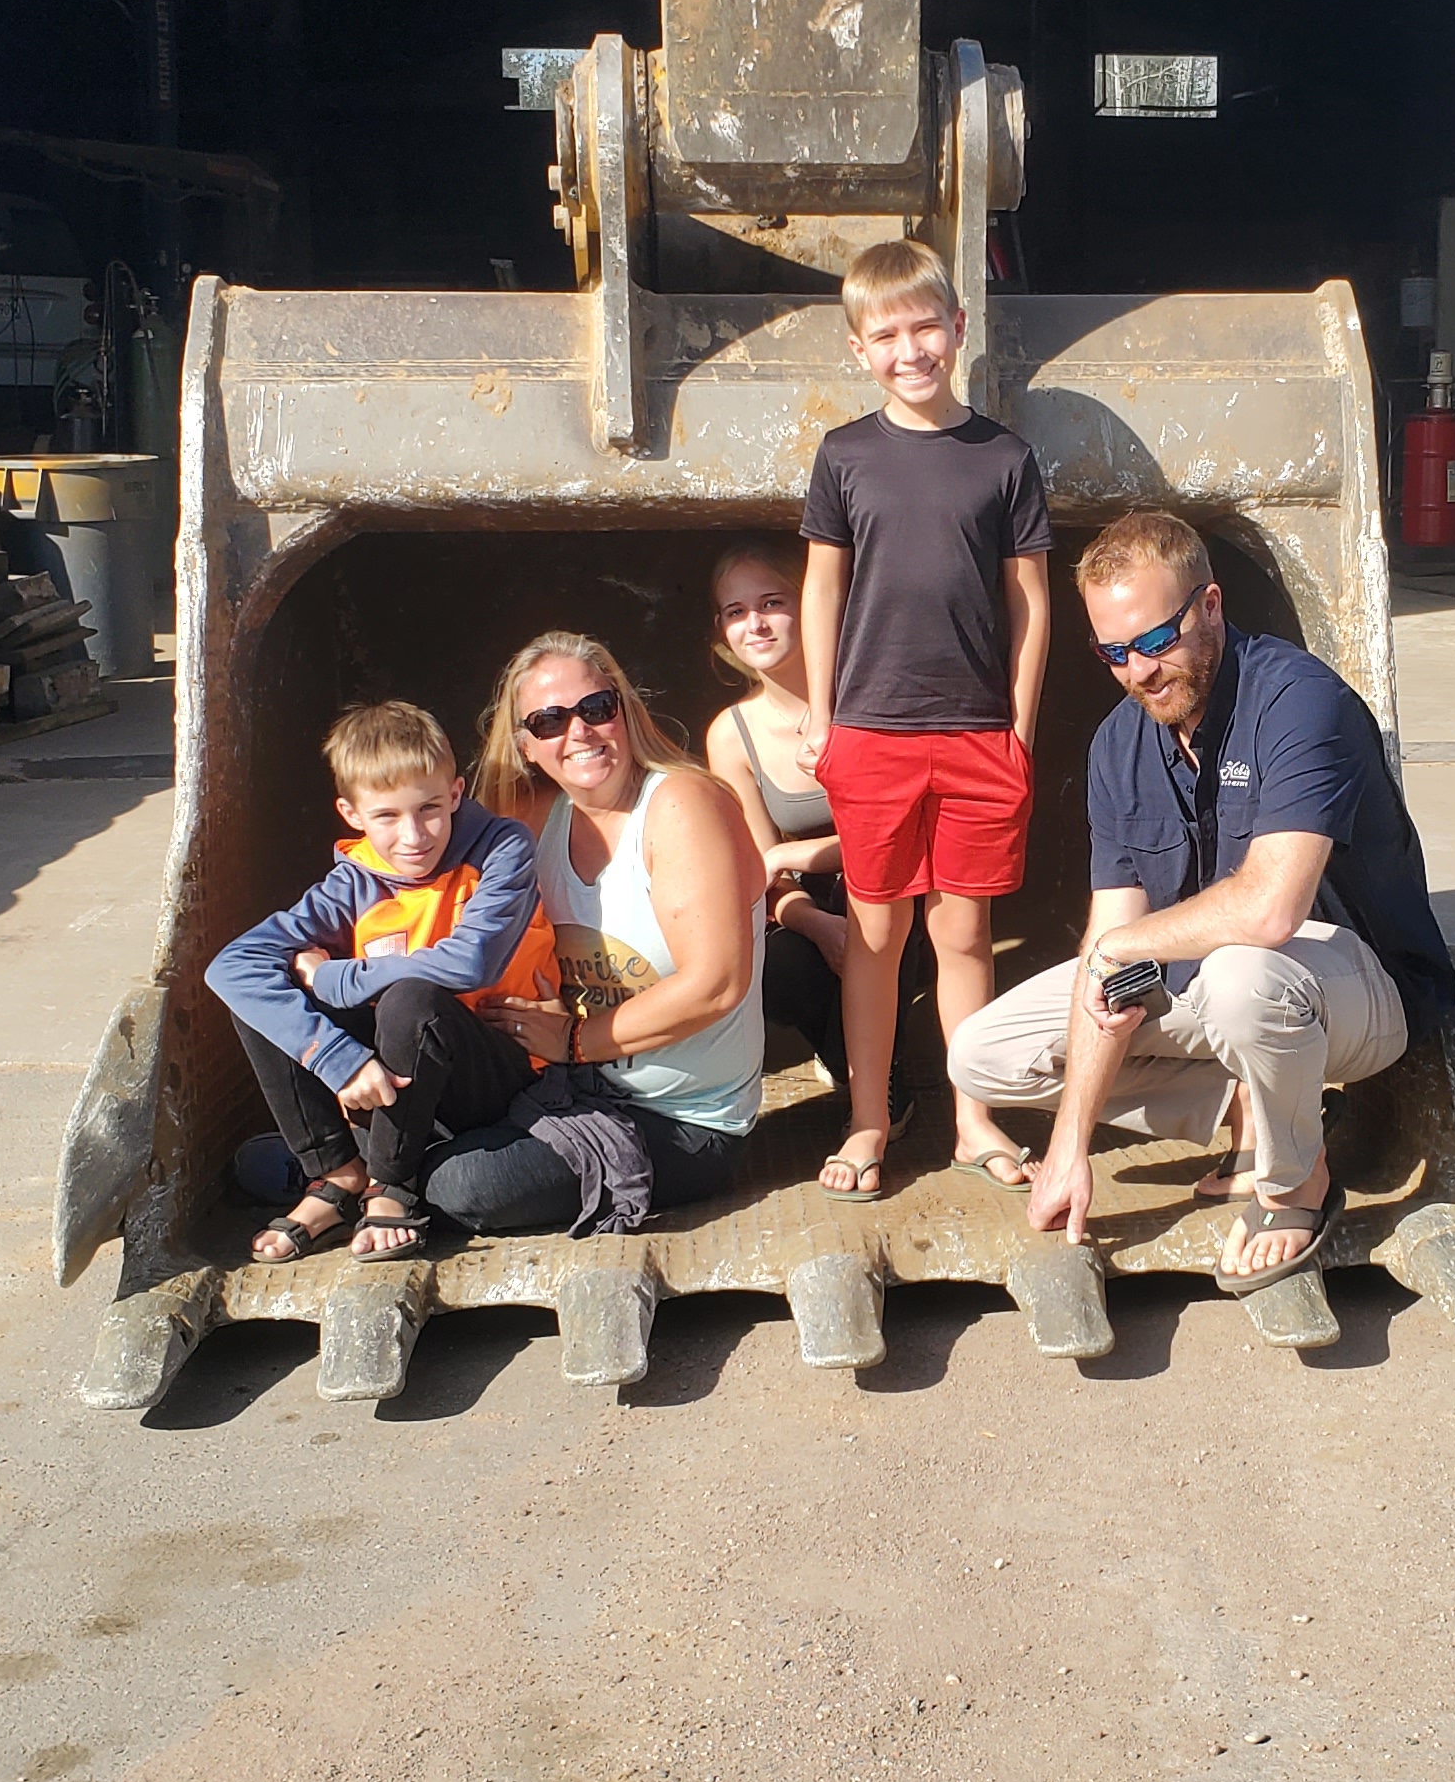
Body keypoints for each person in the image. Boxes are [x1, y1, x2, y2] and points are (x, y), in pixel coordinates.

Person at [951, 512, 1455, 1294]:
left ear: (1211, 605)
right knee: (982, 1054)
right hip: (1219, 992)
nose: (1138, 671)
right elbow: (1109, 945)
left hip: (1354, 995)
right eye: (1113, 653)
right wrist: (1069, 1148)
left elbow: (1269, 912)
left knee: (1241, 975)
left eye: (1156, 640)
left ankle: (1296, 1185)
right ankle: (1256, 1108)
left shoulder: (1298, 701)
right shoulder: (1118, 745)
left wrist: (1122, 950)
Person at [798, 238, 1053, 1200]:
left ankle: (973, 1118)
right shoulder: (845, 455)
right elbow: (822, 589)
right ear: (859, 349)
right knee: (874, 938)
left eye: (924, 329)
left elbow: (1029, 603)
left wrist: (1018, 730)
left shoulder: (1006, 459)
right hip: (871, 736)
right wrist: (822, 716)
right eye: (885, 335)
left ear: (958, 327)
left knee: (964, 937)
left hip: (979, 736)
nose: (909, 351)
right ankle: (867, 1120)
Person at [404, 632, 766, 1236]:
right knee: (408, 1010)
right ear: (525, 745)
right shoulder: (529, 819)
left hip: (678, 1119)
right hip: (559, 1080)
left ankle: (386, 1175)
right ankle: (341, 1170)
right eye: (549, 721)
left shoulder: (681, 805)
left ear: (625, 711)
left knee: (462, 1184)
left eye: (596, 708)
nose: (579, 732)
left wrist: (575, 1039)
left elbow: (717, 985)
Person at [205, 700, 554, 1263]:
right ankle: (337, 1172)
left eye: (429, 808)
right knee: (266, 988)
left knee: (411, 998)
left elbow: (470, 963)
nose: (413, 835)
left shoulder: (501, 848)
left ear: (457, 793)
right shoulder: (353, 882)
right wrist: (337, 1059)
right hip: (403, 1080)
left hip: (498, 1065)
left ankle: (390, 1183)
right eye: (387, 816)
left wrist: (334, 978)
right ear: (352, 814)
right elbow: (231, 966)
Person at [702, 543, 854, 1093]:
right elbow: (765, 875)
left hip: (899, 895)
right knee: (774, 963)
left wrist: (790, 852)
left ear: (810, 603)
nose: (756, 625)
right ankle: (855, 1063)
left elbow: (905, 838)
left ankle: (878, 1074)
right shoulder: (731, 734)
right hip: (817, 910)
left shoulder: (864, 700)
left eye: (772, 603)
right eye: (736, 611)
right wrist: (819, 926)